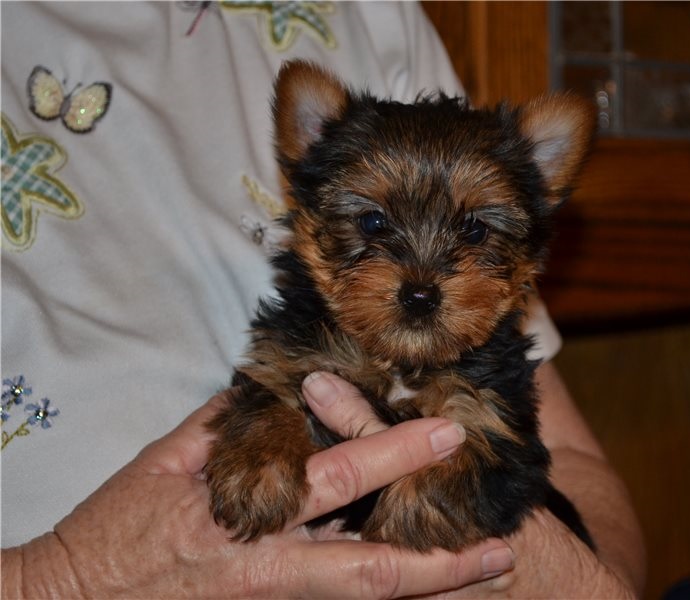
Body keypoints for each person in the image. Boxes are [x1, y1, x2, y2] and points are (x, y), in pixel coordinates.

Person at [1, 1, 644, 597]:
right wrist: (63, 579)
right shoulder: (297, 351)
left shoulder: (380, 11)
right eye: (372, 226)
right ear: (305, 218)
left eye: (474, 231)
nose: (421, 279)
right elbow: (265, 404)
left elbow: (571, 478)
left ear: (530, 249)